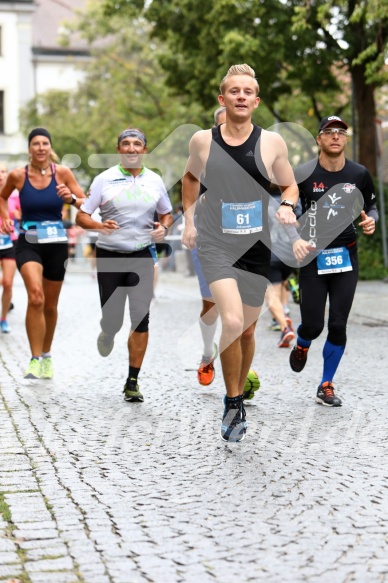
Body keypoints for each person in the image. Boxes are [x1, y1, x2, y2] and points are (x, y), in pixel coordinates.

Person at [182, 64, 298, 442]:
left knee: (247, 330)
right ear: (223, 99)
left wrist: (286, 205)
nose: (242, 96)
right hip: (216, 243)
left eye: (248, 91)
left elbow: (290, 186)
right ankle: (233, 401)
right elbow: (189, 179)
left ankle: (237, 392)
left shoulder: (271, 143)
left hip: (255, 246)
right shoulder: (202, 141)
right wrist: (188, 220)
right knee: (231, 322)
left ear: (257, 100)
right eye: (235, 91)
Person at [76, 128, 173, 402]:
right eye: (126, 144)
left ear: (144, 149)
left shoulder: (154, 180)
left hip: (141, 256)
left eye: (137, 144)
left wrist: (163, 228)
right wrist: (98, 225)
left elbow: (166, 214)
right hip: (109, 256)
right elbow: (81, 218)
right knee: (114, 319)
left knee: (141, 319)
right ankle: (107, 331)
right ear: (119, 149)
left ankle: (132, 380)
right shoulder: (104, 180)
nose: (132, 148)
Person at [288, 115, 378, 406]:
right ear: (319, 139)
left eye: (341, 132)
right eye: (329, 132)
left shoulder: (359, 173)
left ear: (345, 139)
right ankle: (302, 344)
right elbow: (286, 213)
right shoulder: (302, 173)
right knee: (313, 326)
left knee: (338, 324)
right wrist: (295, 240)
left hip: (346, 257)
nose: (336, 136)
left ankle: (326, 384)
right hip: (313, 258)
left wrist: (371, 221)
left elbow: (372, 206)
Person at [0, 128, 85, 378]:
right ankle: (35, 358)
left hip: (57, 242)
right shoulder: (18, 175)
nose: (40, 148)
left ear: (50, 147)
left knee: (50, 305)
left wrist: (69, 198)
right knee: (35, 296)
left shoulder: (64, 173)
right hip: (28, 240)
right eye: (35, 143)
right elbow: (2, 197)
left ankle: (46, 355)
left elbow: (85, 202)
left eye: (44, 143)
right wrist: (5, 217)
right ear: (29, 148)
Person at [193, 106, 260, 398]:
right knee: (212, 306)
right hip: (211, 243)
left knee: (242, 325)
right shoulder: (206, 155)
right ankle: (208, 354)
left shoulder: (257, 153)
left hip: (248, 244)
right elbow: (189, 189)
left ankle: (236, 385)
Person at [0, 163, 19, 333]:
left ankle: (3, 318)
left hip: (10, 242)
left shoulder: (15, 197)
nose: (0, 175)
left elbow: (23, 215)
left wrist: (18, 217)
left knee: (7, 282)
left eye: (3, 172)